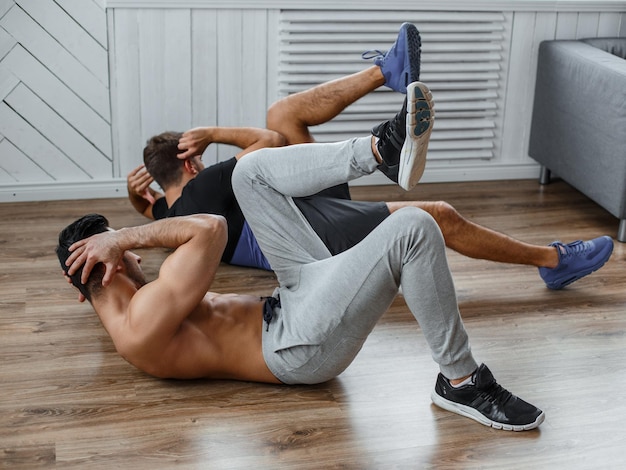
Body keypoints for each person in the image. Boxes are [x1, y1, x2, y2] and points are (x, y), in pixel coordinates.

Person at [58, 82, 545, 431]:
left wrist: (132, 216)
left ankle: (381, 148)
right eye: (121, 248)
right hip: (300, 346)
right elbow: (211, 228)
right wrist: (123, 236)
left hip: (293, 301)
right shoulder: (139, 324)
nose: (135, 253)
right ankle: (461, 380)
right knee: (415, 227)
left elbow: (198, 222)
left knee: (250, 173)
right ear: (111, 263)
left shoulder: (139, 305)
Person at [126, 22, 613, 288]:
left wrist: (137, 201)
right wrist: (212, 131)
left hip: (302, 212)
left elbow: (153, 212)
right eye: (200, 155)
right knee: (437, 216)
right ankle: (552, 261)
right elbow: (269, 148)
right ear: (190, 162)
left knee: (283, 112)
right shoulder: (203, 186)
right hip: (312, 239)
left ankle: (390, 74)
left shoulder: (173, 217)